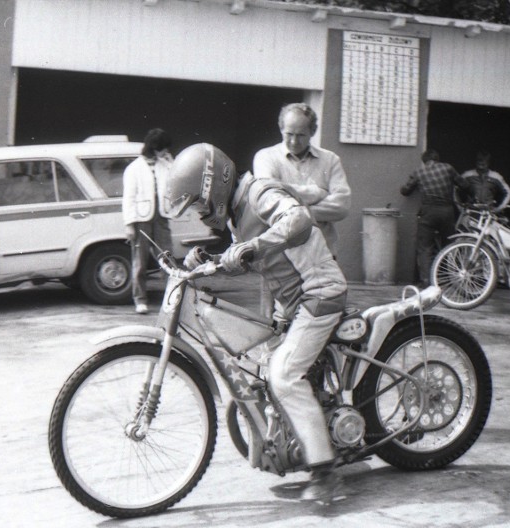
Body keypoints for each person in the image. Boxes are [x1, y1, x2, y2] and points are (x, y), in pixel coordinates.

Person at [168, 143, 348, 503]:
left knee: (283, 375)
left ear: (212, 188)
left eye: (200, 205)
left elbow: (298, 220)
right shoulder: (237, 214)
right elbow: (250, 254)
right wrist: (210, 260)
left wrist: (254, 246)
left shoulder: (259, 191)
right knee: (261, 367)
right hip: (291, 305)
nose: (202, 215)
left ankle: (325, 473)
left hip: (318, 293)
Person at [252, 103, 351, 256]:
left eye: (300, 135)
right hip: (280, 256)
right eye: (289, 134)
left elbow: (341, 206)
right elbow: (269, 200)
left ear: (313, 131)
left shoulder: (331, 160)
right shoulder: (265, 157)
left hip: (322, 253)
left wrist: (293, 212)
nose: (293, 141)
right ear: (281, 129)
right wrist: (317, 193)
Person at [122, 128, 174, 314]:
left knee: (167, 259)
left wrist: (171, 163)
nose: (165, 152)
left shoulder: (165, 164)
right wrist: (129, 224)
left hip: (161, 216)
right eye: (163, 149)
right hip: (140, 219)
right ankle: (140, 299)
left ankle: (170, 299)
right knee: (140, 262)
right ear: (153, 148)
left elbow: (174, 182)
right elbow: (128, 197)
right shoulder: (134, 168)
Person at [399, 149, 467, 287]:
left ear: (424, 161)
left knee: (425, 248)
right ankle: (453, 279)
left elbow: (405, 191)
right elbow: (465, 185)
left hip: (428, 212)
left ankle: (427, 282)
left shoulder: (419, 172)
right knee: (450, 245)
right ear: (437, 159)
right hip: (447, 211)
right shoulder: (448, 168)